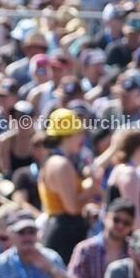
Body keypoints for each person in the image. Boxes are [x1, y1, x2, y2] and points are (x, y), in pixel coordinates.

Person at [37, 108, 98, 264]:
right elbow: (72, 207)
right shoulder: (61, 164)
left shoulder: (53, 161)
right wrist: (94, 186)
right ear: (67, 136)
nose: (82, 137)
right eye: (79, 133)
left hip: (61, 231)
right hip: (64, 236)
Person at [67, 197, 135, 278]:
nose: (120, 225)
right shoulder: (85, 249)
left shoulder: (134, 251)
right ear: (105, 217)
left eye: (126, 223)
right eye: (116, 219)